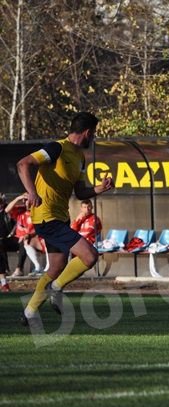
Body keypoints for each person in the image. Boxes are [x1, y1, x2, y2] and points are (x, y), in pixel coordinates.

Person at [17, 111, 114, 329]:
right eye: (94, 133)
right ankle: (57, 288)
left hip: (59, 217)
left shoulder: (79, 157)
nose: (94, 137)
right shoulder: (56, 148)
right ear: (87, 132)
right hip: (46, 216)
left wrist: (100, 188)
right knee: (90, 256)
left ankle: (29, 312)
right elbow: (24, 164)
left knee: (56, 267)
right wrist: (31, 192)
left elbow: (80, 192)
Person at [5, 193, 44, 277]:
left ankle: (19, 269)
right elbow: (7, 210)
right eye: (25, 200)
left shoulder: (38, 213)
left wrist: (28, 235)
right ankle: (4, 270)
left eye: (28, 200)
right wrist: (18, 198)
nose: (26, 202)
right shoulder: (20, 210)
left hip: (31, 238)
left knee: (24, 241)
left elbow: (40, 228)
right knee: (1, 242)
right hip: (16, 238)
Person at [0, 193, 20, 292]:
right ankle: (4, 283)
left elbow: (8, 208)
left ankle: (4, 283)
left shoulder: (5, 211)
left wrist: (20, 198)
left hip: (8, 240)